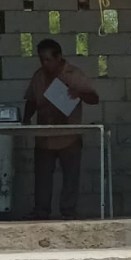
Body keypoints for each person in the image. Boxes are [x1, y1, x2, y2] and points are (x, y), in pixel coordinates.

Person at [23, 38, 100, 220]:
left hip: (69, 136)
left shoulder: (73, 74)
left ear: (58, 57)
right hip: (44, 136)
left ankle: (68, 212)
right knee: (42, 178)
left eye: (48, 59)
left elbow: (94, 98)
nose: (44, 63)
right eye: (42, 59)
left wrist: (78, 93)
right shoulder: (39, 76)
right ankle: (41, 211)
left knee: (70, 178)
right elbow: (31, 100)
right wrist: (25, 119)